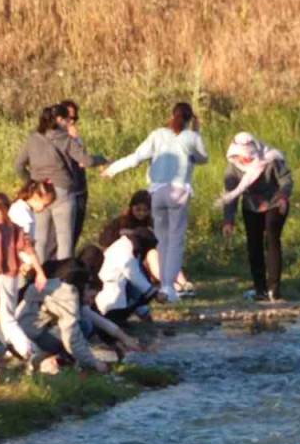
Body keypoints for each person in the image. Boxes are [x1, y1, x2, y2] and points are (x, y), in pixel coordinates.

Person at [101, 102, 208, 301]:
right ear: (190, 119)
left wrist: (112, 169)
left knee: (161, 240)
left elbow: (136, 158)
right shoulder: (192, 137)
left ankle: (165, 285)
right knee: (175, 241)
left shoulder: (157, 134)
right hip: (179, 192)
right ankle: (168, 286)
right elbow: (203, 159)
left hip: (157, 192)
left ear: (171, 115)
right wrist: (197, 132)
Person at [216, 132, 294, 302]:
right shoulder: (233, 169)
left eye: (249, 156)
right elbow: (232, 196)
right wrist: (228, 221)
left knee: (272, 239)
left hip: (275, 203)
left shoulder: (271, 159)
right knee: (254, 245)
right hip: (251, 206)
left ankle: (274, 289)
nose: (245, 160)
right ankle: (260, 289)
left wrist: (282, 197)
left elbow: (286, 180)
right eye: (242, 157)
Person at [0, 192, 47, 361]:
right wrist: (40, 272)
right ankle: (28, 350)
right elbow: (28, 250)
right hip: (10, 275)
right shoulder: (14, 228)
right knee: (8, 318)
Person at [14, 105, 94, 261]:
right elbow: (86, 161)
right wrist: (102, 159)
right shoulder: (65, 139)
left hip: (39, 191)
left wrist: (32, 183)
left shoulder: (33, 139)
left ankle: (38, 277)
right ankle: (63, 277)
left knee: (40, 238)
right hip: (62, 190)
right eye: (67, 120)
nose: (69, 123)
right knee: (64, 238)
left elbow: (18, 166)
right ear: (59, 120)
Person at [16, 257, 109, 374]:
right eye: (91, 296)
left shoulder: (55, 284)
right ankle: (44, 357)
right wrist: (94, 362)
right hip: (29, 337)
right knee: (81, 327)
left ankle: (48, 356)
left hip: (20, 331)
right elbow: (72, 338)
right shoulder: (68, 295)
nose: (91, 301)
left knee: (80, 326)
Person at [60, 100, 108, 249]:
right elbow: (83, 161)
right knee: (64, 235)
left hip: (80, 188)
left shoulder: (75, 137)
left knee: (74, 232)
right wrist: (102, 160)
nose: (72, 122)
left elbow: (82, 158)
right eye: (68, 118)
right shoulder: (58, 139)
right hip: (67, 191)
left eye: (74, 119)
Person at [93, 228, 162, 324]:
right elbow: (134, 276)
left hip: (116, 291)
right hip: (110, 297)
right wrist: (155, 294)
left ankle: (140, 316)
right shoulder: (126, 250)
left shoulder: (128, 246)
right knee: (144, 291)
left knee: (141, 292)